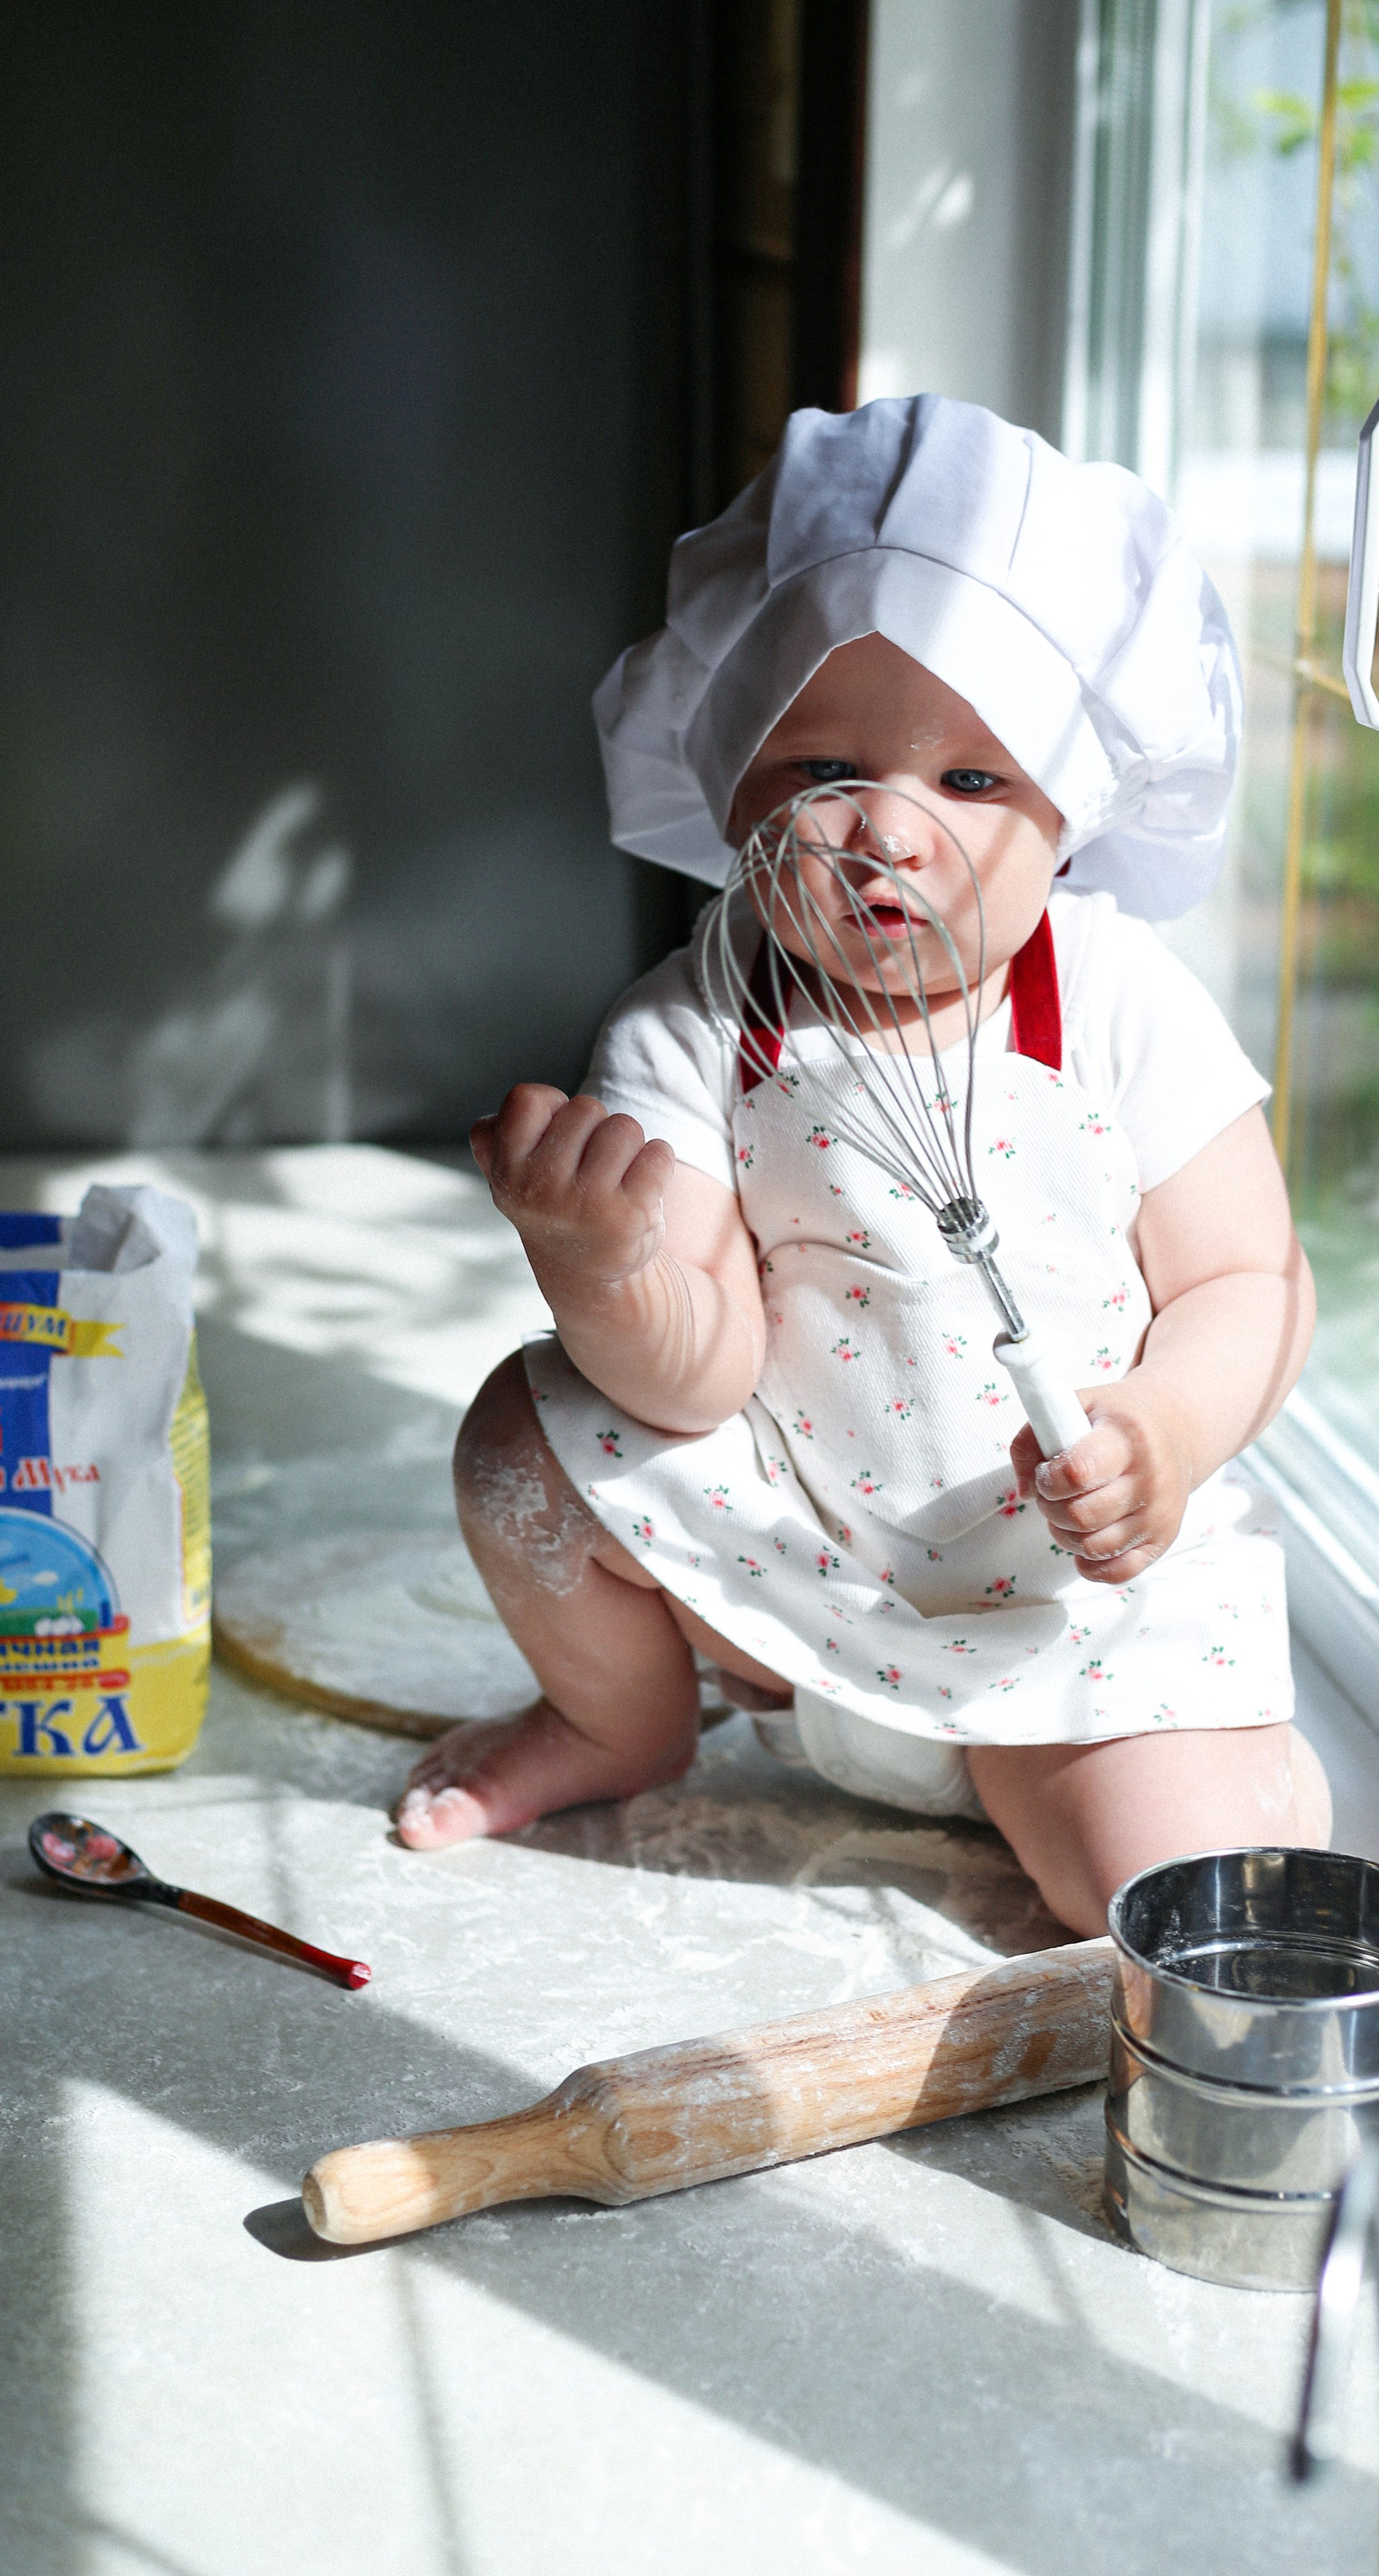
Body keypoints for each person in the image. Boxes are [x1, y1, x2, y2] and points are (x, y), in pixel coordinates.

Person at [394, 395, 1329, 1935]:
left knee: (1158, 1908)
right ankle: (617, 1724)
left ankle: (1200, 1773)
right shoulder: (701, 1021)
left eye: (971, 782)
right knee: (522, 1440)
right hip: (795, 1580)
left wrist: (1164, 1426)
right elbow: (692, 1378)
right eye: (821, 768)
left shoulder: (1113, 998)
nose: (887, 831)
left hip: (1066, 1612)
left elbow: (1249, 1276)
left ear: (1073, 811)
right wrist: (604, 1267)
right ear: (730, 789)